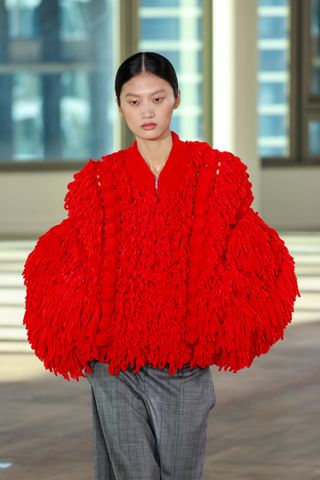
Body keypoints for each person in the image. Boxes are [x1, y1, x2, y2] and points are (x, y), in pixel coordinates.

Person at [22, 51, 301, 480]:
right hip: (115, 363)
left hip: (184, 363)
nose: (146, 111)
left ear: (177, 99)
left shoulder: (215, 173)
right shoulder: (99, 180)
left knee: (180, 473)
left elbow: (251, 250)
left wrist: (221, 322)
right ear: (119, 107)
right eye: (133, 101)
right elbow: (73, 257)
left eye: (157, 98)